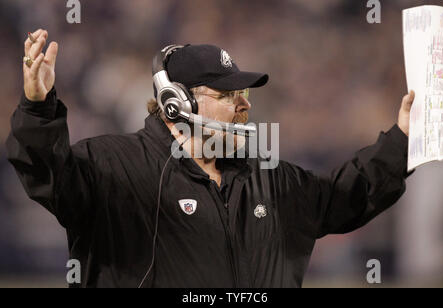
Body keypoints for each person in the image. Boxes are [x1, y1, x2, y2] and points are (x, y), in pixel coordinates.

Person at [6, 29, 415, 288]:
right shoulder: (112, 166)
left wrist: (403, 139)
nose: (243, 107)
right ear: (175, 103)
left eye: (244, 96)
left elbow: (349, 194)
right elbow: (48, 174)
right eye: (227, 96)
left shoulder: (269, 178)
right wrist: (38, 108)